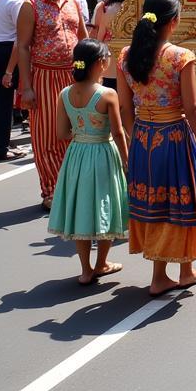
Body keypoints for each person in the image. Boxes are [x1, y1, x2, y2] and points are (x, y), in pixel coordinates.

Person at [118, 0, 196, 296]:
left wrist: (136, 137)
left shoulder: (126, 55)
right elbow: (193, 107)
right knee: (182, 201)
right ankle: (183, 271)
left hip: (144, 136)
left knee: (155, 203)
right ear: (174, 21)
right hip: (173, 136)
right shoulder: (181, 57)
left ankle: (164, 274)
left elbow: (124, 106)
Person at [47, 39, 129, 284]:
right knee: (106, 204)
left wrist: (81, 135)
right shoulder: (107, 94)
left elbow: (61, 133)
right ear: (101, 63)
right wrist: (127, 160)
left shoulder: (65, 93)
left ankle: (85, 269)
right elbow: (117, 132)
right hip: (103, 152)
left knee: (82, 207)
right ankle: (102, 263)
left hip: (77, 154)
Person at [17, 0, 87, 209]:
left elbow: (83, 38)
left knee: (77, 132)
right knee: (46, 136)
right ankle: (51, 190)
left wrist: (89, 74)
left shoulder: (72, 1)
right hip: (44, 75)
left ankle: (74, 186)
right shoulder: (30, 6)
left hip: (73, 75)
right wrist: (26, 87)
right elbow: (23, 47)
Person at [0, 0, 25, 160]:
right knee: (3, 101)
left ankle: (1, 143)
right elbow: (19, 37)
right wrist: (9, 70)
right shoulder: (15, 0)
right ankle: (1, 146)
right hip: (5, 51)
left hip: (4, 48)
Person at [91, 0, 125, 90]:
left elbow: (100, 35)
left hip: (109, 53)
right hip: (125, 54)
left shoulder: (107, 10)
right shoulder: (129, 10)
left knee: (108, 86)